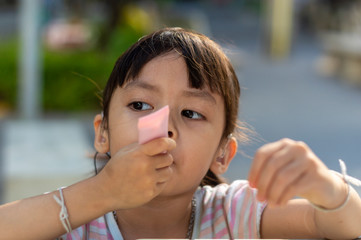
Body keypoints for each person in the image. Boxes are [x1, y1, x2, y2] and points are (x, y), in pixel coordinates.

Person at [1, 27, 361, 239]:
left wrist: (325, 189)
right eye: (141, 105)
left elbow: (339, 224)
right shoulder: (69, 219)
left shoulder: (234, 214)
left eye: (191, 113)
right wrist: (99, 193)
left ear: (223, 155)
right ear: (103, 134)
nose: (164, 127)